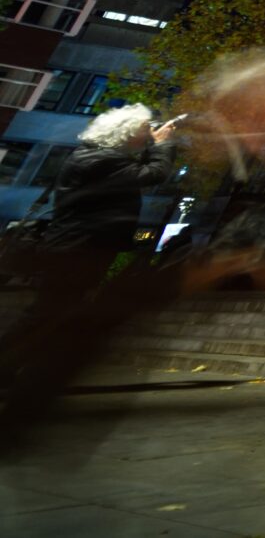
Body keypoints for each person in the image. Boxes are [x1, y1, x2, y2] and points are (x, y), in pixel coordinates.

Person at [0, 104, 180, 437]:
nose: (149, 132)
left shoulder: (97, 158)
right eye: (145, 128)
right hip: (78, 250)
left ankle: (15, 368)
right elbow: (153, 175)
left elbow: (133, 173)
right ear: (126, 132)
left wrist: (153, 145)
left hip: (77, 247)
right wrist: (163, 144)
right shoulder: (100, 161)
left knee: (51, 311)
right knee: (47, 312)